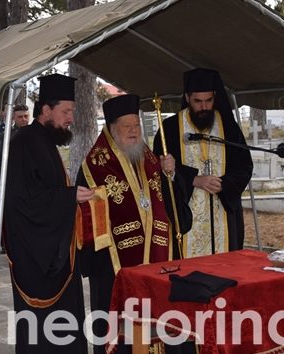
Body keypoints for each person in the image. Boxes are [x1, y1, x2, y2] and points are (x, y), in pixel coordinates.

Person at [75, 94, 177, 353]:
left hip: (154, 254)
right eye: (127, 126)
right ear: (112, 130)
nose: (134, 132)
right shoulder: (94, 165)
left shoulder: (149, 157)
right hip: (112, 263)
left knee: (153, 320)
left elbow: (165, 200)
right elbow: (87, 219)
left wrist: (171, 173)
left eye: (137, 125)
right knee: (118, 327)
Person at [4, 73, 91, 353]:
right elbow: (24, 204)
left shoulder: (43, 140)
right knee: (45, 333)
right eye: (66, 112)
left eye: (72, 112)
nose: (70, 119)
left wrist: (70, 198)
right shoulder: (25, 143)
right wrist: (69, 197)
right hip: (38, 258)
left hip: (54, 250)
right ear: (45, 110)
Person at [153, 68, 253, 258]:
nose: (204, 107)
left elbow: (244, 166)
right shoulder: (170, 129)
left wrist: (225, 184)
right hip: (186, 217)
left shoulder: (228, 127)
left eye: (209, 101)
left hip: (223, 216)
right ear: (187, 97)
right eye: (198, 101)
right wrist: (193, 179)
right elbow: (158, 169)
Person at [0, 103, 30, 186]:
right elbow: (1, 158)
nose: (23, 119)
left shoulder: (35, 134)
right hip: (13, 178)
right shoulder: (6, 136)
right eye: (20, 117)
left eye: (26, 116)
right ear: (13, 117)